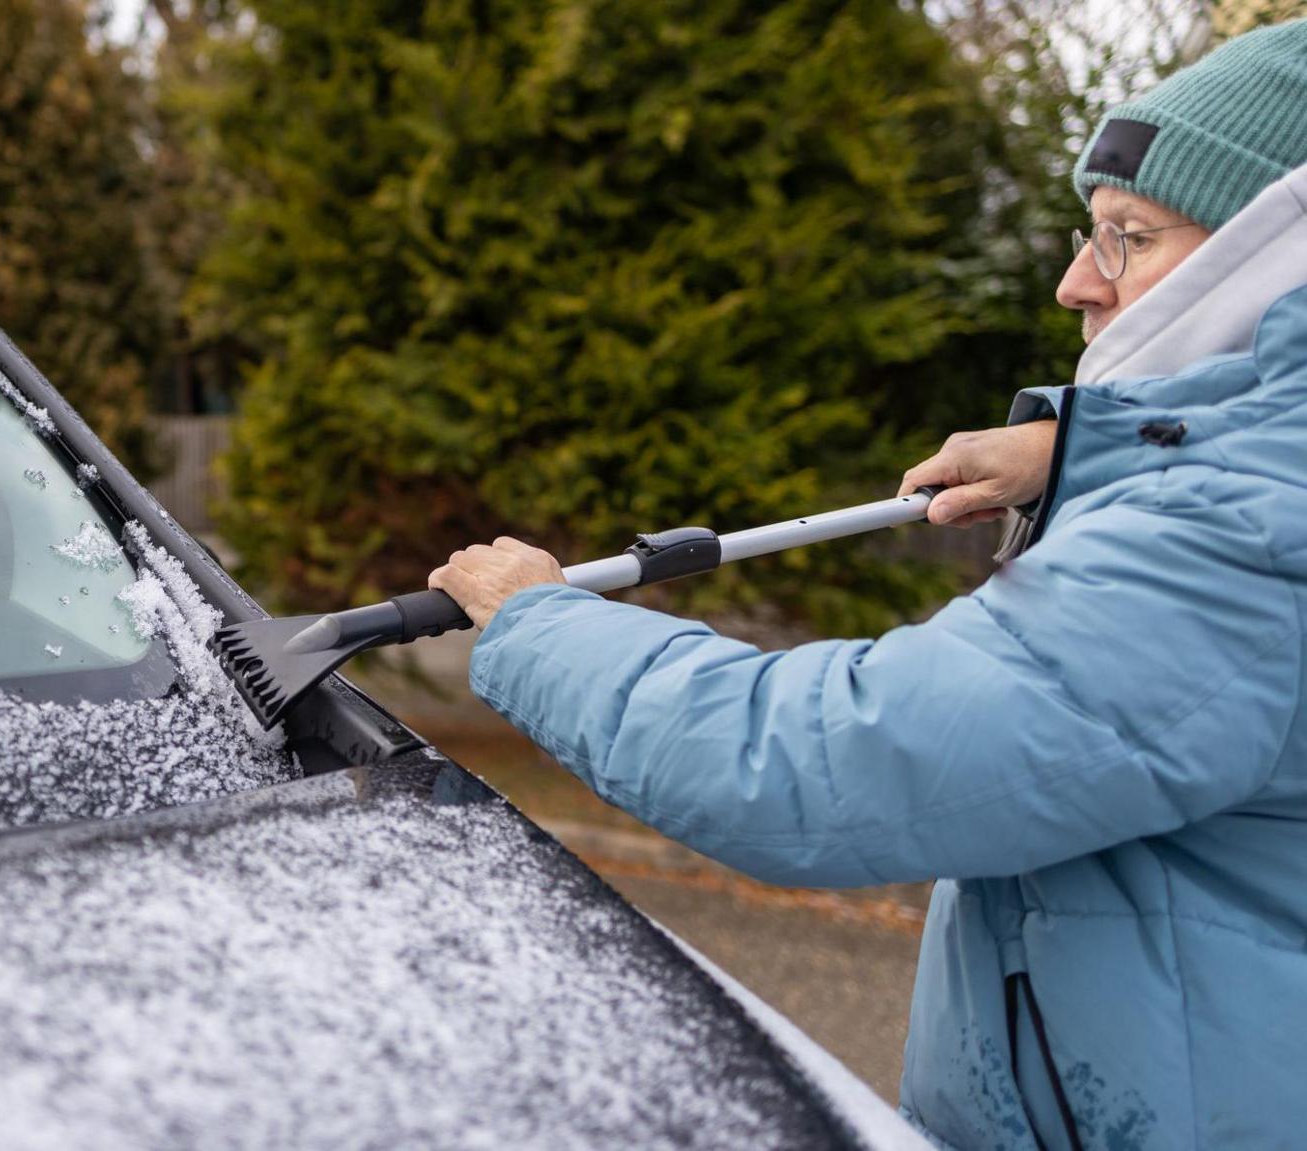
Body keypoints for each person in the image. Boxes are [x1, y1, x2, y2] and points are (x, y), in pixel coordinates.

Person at [428, 23, 1307, 1151]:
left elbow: (829, 763)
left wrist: (537, 625)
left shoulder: (1242, 533)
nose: (1074, 281)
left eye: (1127, 238)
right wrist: (1081, 450)